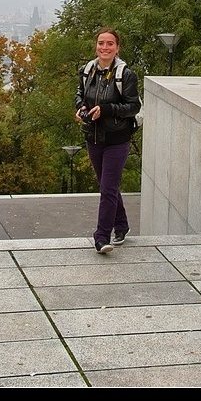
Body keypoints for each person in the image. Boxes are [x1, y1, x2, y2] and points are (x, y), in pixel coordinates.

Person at [75, 28, 141, 253]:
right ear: (96, 45)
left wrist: (106, 110)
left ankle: (101, 237)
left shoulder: (126, 75)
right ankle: (121, 225)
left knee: (107, 188)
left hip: (117, 139)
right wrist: (80, 108)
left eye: (110, 43)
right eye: (101, 43)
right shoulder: (87, 70)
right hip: (93, 137)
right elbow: (79, 94)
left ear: (117, 47)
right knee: (108, 186)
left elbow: (133, 107)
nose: (105, 47)